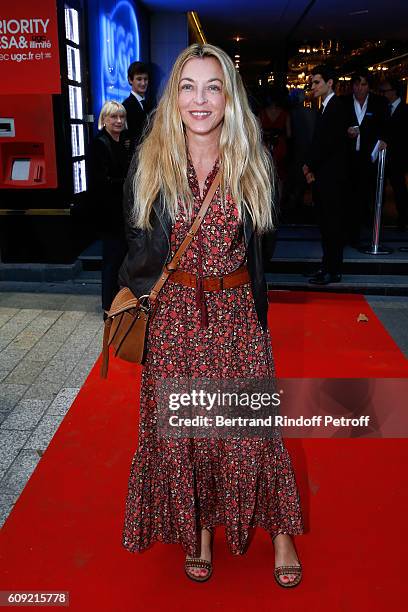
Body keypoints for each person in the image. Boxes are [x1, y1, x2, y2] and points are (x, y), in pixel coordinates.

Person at [119, 43, 303, 587]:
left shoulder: (253, 161)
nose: (200, 100)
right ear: (173, 97)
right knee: (186, 432)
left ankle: (283, 532)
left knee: (252, 430)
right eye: (188, 87)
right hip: (175, 316)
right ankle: (197, 531)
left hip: (236, 313)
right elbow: (135, 240)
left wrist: (242, 297)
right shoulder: (149, 159)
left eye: (213, 87)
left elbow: (262, 243)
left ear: (229, 97)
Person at [303, 65, 348, 285]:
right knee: (325, 224)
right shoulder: (325, 107)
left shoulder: (336, 107)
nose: (313, 87)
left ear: (330, 83)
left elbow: (328, 144)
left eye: (317, 82)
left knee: (332, 225)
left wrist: (309, 165)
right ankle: (327, 266)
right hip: (324, 175)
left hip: (332, 177)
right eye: (312, 83)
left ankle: (333, 270)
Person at [88, 100, 129, 314]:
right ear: (104, 119)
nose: (119, 121)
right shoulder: (99, 143)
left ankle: (120, 302)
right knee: (112, 261)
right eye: (114, 117)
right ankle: (107, 306)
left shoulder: (124, 141)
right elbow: (100, 183)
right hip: (109, 214)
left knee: (122, 259)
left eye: (121, 117)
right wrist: (127, 181)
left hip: (123, 212)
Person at [343, 70, 387, 245]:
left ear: (369, 86)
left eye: (363, 84)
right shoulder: (343, 103)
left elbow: (384, 127)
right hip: (347, 158)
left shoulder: (379, 103)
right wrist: (345, 132)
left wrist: (382, 141)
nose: (360, 88)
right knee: (346, 196)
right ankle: (348, 232)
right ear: (351, 86)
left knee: (364, 196)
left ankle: (358, 232)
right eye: (356, 84)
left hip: (369, 158)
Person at [379, 78, 408, 231]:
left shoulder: (405, 110)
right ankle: (378, 217)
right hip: (383, 156)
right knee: (379, 188)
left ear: (394, 92)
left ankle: (403, 218)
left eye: (385, 91)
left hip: (398, 156)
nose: (383, 94)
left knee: (399, 188)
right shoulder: (383, 109)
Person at [122, 61, 152, 157]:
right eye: (139, 79)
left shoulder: (151, 105)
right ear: (130, 80)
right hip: (134, 160)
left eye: (145, 79)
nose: (143, 83)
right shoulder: (125, 106)